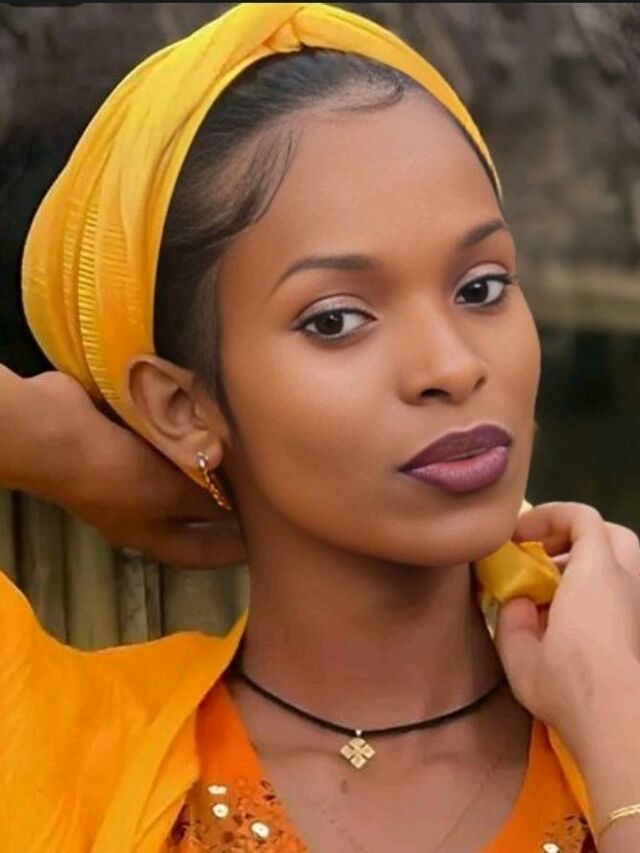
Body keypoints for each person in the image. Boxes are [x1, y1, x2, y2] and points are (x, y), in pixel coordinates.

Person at [2, 3, 640, 851]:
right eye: (336, 319)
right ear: (182, 406)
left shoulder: (620, 718)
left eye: (481, 288)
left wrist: (616, 726)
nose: (452, 366)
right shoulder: (50, 748)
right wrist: (57, 446)